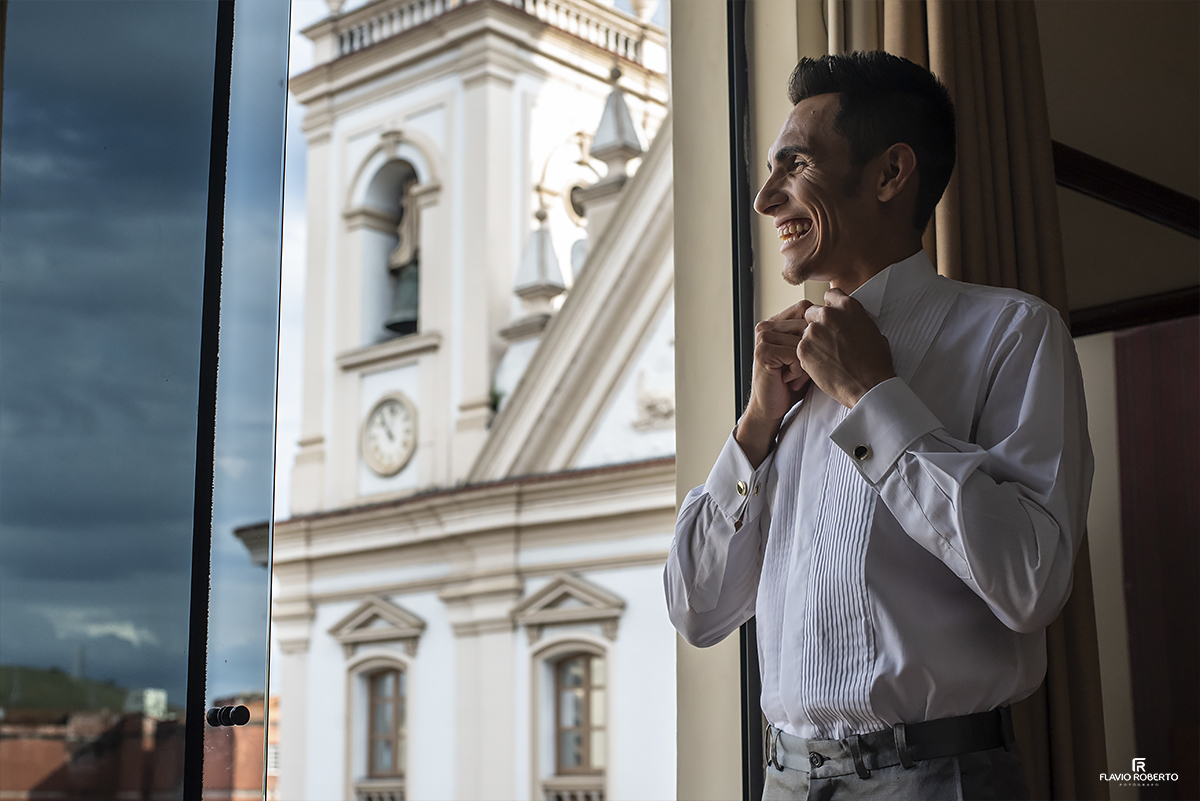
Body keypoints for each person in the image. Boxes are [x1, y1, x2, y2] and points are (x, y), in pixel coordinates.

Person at [664, 51, 1093, 800]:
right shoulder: (784, 379)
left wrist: (873, 396)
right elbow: (696, 609)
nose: (764, 199)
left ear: (891, 173)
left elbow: (1031, 580)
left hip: (938, 780)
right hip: (783, 779)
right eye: (769, 172)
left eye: (795, 165)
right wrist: (757, 425)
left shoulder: (1014, 335)